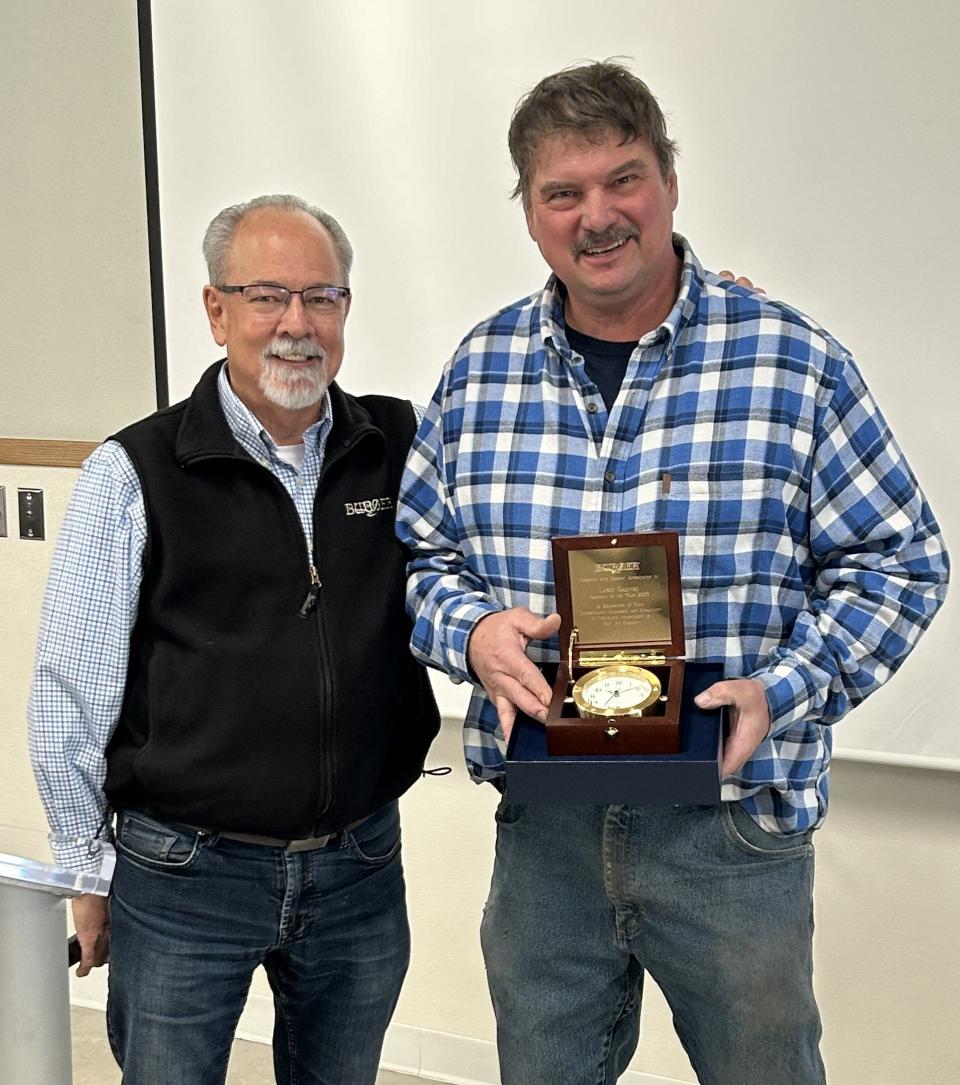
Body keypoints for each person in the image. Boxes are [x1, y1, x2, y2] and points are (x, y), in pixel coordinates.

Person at [395, 62, 948, 1084]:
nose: (597, 215)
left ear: (671, 182)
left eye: (625, 178)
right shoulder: (480, 371)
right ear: (529, 211)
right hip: (544, 835)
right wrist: (468, 631)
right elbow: (421, 557)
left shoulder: (794, 363)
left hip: (729, 830)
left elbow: (900, 562)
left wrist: (784, 688)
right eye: (563, 191)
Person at [28, 194, 440, 1085]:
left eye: (322, 297)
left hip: (361, 869)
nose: (297, 324)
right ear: (216, 311)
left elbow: (523, 451)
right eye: (266, 296)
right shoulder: (133, 472)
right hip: (182, 875)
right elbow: (70, 691)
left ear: (346, 312)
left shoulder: (402, 445)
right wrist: (88, 873)